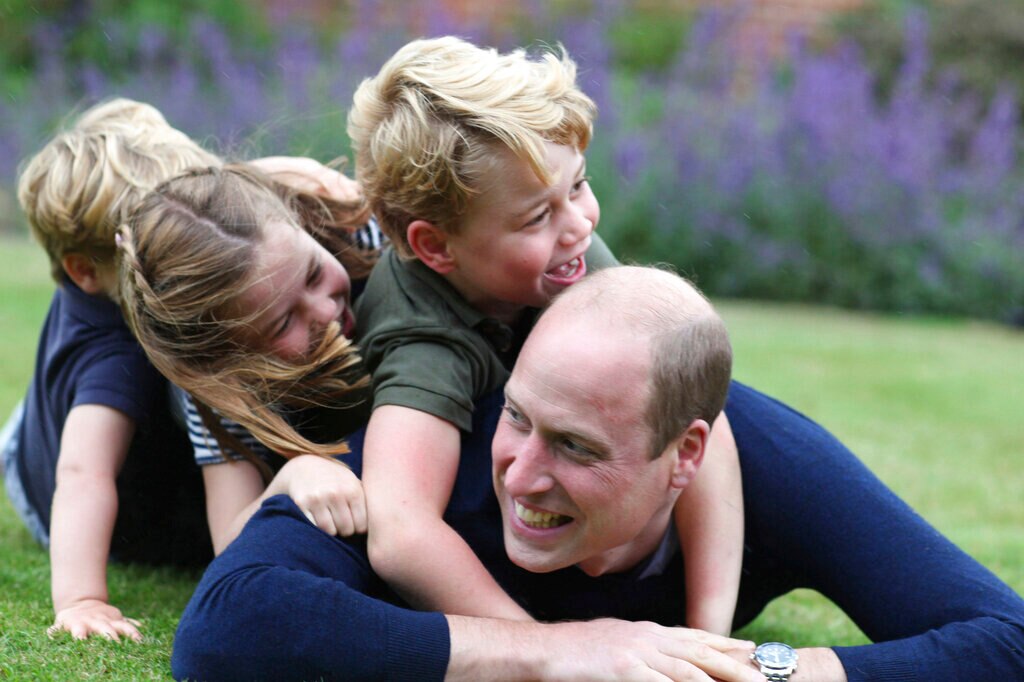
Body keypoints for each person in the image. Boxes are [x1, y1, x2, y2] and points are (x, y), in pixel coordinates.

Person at [169, 266, 1024, 681]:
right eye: (519, 417)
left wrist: (755, 671)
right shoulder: (432, 455)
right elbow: (224, 630)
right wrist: (552, 655)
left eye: (577, 448)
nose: (523, 475)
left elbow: (1004, 639)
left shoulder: (766, 460)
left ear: (686, 455)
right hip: (164, 462)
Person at [346, 35, 743, 632]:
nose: (579, 223)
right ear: (436, 246)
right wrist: (548, 652)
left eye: (579, 185)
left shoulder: (563, 246)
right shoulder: (422, 337)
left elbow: (702, 417)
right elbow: (401, 533)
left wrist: (708, 635)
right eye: (538, 216)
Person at [2, 98, 220, 644]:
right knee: (93, 419)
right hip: (47, 489)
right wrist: (82, 599)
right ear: (85, 269)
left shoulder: (103, 279)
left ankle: (32, 422)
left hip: (37, 432)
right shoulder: (117, 352)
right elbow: (82, 476)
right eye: (159, 247)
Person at [118, 163, 381, 554]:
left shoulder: (363, 234)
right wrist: (292, 476)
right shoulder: (221, 387)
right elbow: (228, 539)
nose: (325, 311)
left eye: (312, 274)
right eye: (283, 323)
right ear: (227, 357)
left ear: (299, 222)